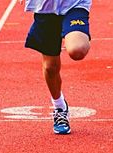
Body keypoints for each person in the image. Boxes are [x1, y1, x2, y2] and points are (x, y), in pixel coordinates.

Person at [20, 0, 93, 134]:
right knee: (50, 67)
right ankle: (60, 107)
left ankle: (77, 32)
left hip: (74, 5)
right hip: (45, 9)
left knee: (77, 50)